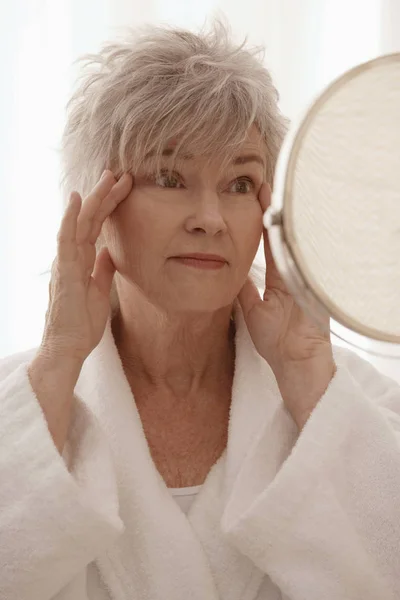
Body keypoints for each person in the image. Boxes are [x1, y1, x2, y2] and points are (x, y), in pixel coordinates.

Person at [1, 19, 400, 600]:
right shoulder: (30, 402)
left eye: (241, 183)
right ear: (98, 205)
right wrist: (60, 360)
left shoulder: (360, 406)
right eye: (169, 176)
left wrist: (307, 369)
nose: (210, 217)